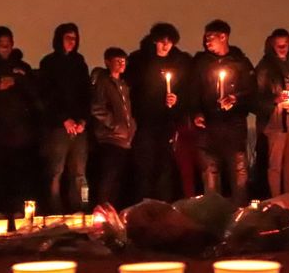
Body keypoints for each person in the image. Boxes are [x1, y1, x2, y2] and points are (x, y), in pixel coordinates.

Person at [0, 26, 42, 214]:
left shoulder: (22, 67)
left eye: (8, 44)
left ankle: (18, 211)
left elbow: (36, 97)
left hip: (20, 133)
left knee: (19, 174)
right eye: (2, 44)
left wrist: (20, 81)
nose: (5, 48)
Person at [190, 19, 255, 206]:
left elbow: (252, 91)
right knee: (210, 173)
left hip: (233, 127)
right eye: (206, 37)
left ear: (223, 37)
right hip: (208, 129)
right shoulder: (201, 63)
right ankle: (212, 214)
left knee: (238, 173)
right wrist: (196, 113)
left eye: (211, 37)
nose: (207, 41)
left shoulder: (240, 62)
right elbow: (193, 91)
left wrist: (235, 99)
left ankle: (241, 216)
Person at [125, 23, 192, 202]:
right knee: (145, 166)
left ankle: (165, 204)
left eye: (170, 43)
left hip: (168, 122)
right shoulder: (139, 60)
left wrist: (177, 101)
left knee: (166, 166)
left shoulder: (180, 62)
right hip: (145, 121)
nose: (166, 46)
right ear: (155, 41)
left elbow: (187, 91)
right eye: (162, 42)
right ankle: (143, 203)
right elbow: (132, 89)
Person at [39, 23, 90, 213]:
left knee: (80, 173)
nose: (71, 42)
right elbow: (46, 96)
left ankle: (81, 208)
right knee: (56, 171)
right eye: (67, 37)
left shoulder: (80, 63)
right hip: (58, 127)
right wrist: (64, 119)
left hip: (80, 127)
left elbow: (86, 94)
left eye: (74, 38)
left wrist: (83, 121)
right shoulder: (49, 63)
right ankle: (55, 210)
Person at [255, 28, 289, 197]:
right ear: (272, 45)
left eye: (285, 44)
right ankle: (277, 199)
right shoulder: (265, 66)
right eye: (279, 45)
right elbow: (256, 97)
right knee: (275, 164)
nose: (283, 48)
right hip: (275, 121)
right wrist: (274, 100)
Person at [90, 47, 136, 208]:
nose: (122, 64)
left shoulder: (123, 85)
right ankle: (102, 210)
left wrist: (131, 126)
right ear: (107, 62)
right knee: (108, 178)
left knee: (117, 179)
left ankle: (112, 211)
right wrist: (114, 125)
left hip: (124, 139)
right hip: (110, 138)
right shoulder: (104, 82)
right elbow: (97, 108)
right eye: (118, 61)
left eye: (123, 61)